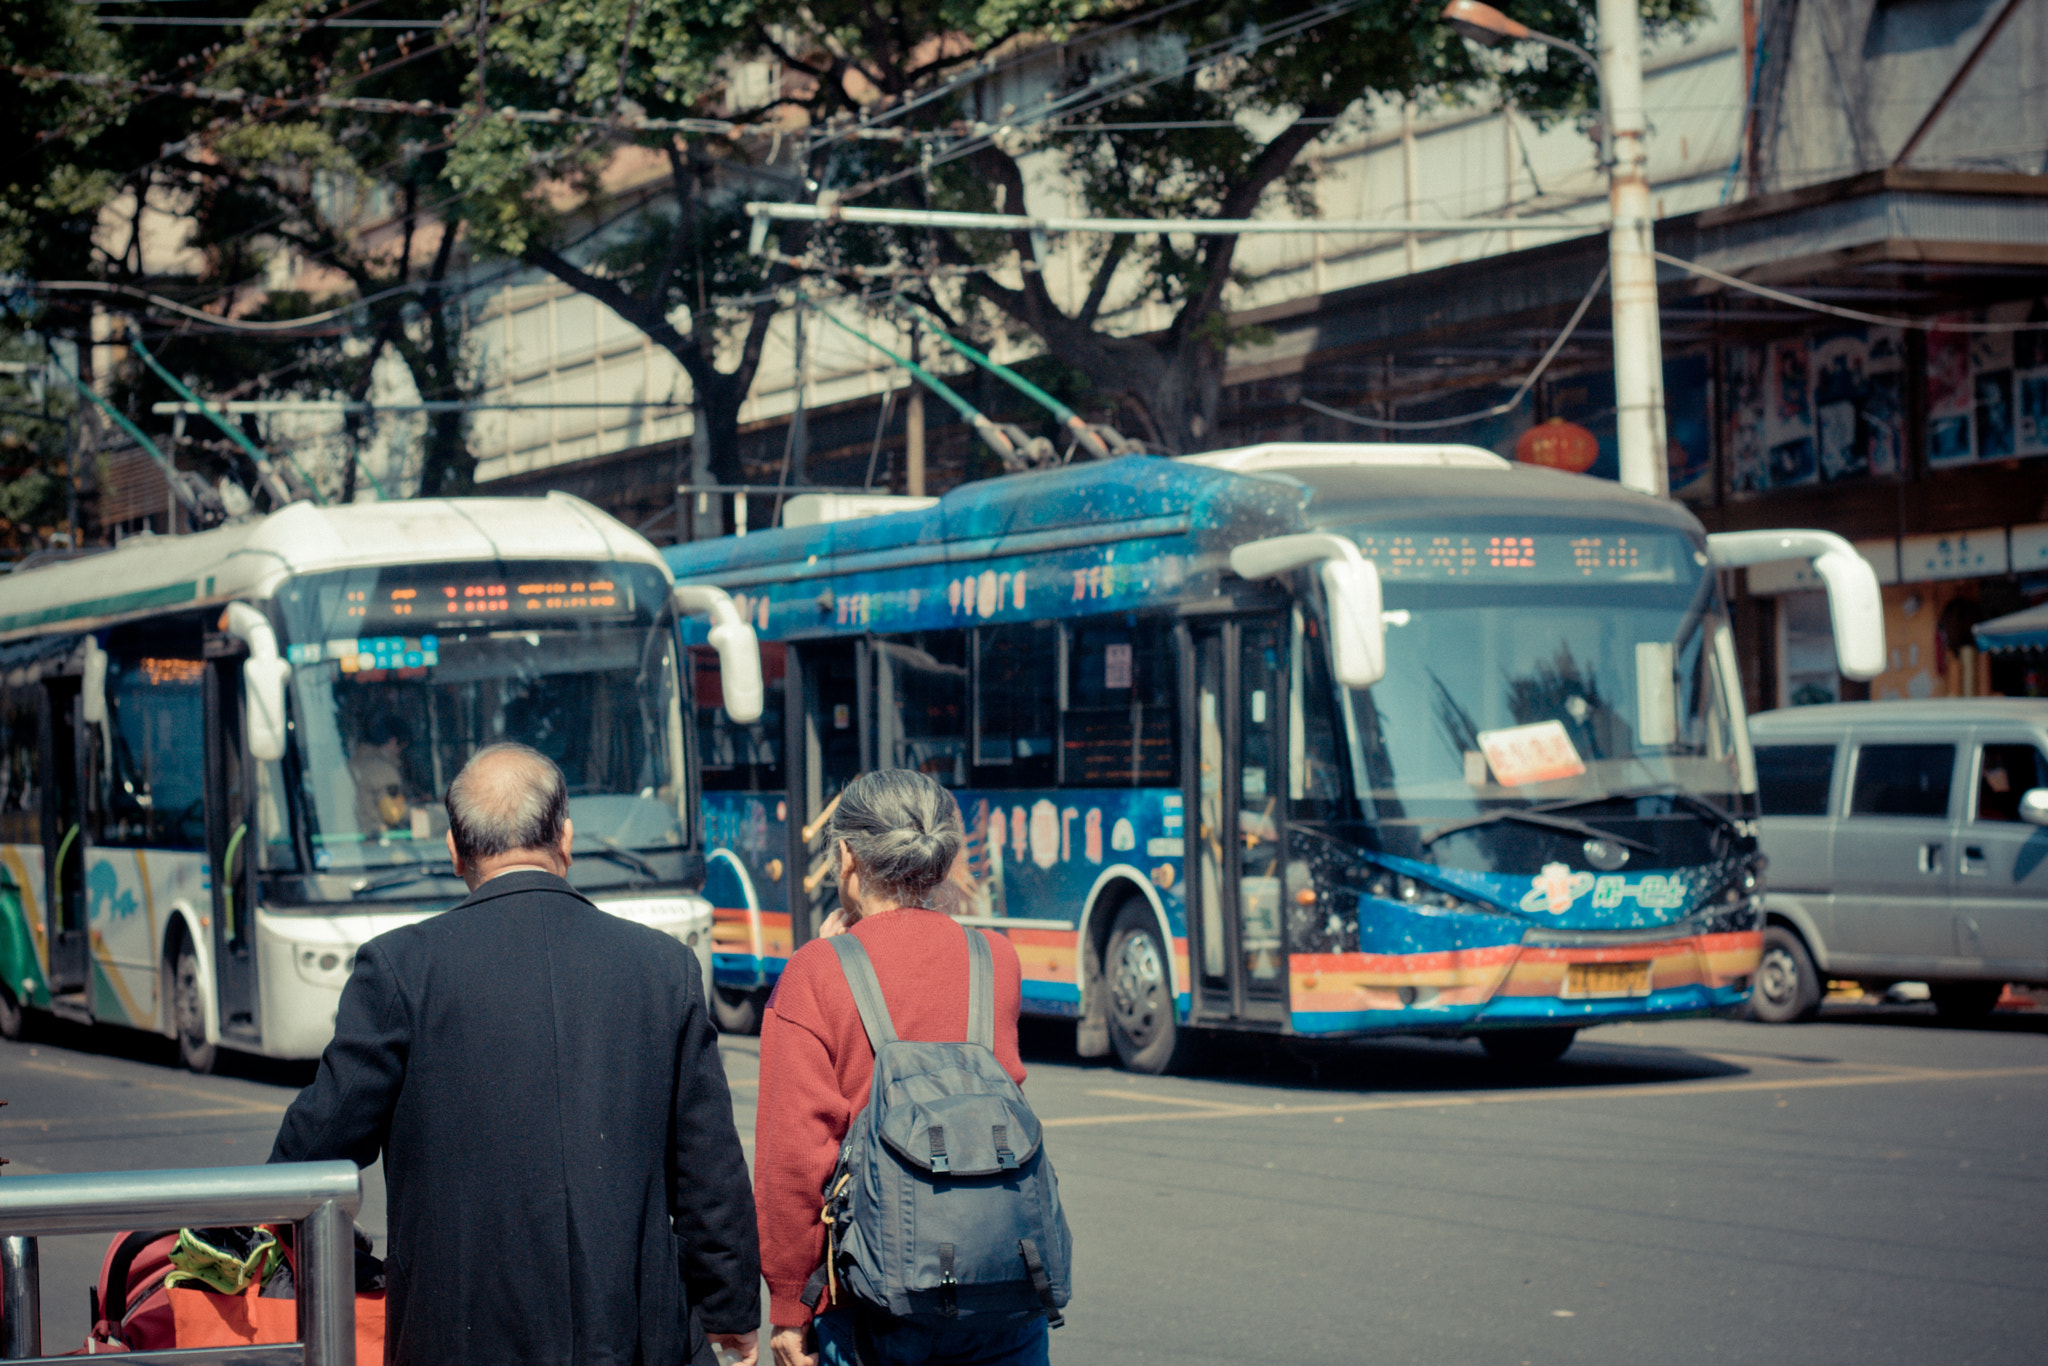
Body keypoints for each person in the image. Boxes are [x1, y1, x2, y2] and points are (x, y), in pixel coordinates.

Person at [270, 742, 761, 1366]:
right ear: (566, 838)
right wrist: (730, 1307)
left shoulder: (400, 970)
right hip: (635, 1331)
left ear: (454, 850)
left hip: (459, 1333)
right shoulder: (662, 967)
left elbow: (312, 1151)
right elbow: (708, 1166)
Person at [754, 771, 1042, 1366]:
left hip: (876, 1303)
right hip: (1001, 1290)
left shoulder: (816, 974)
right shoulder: (997, 960)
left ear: (846, 856)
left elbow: (794, 1161)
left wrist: (789, 1305)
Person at [350, 715, 415, 835]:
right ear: (393, 741)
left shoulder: (353, 763)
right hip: (378, 842)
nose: (400, 753)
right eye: (401, 748)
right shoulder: (384, 770)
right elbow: (394, 814)